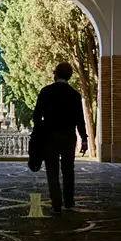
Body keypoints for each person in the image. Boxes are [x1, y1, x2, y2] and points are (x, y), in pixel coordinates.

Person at [32, 62, 88, 215]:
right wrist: (84, 139)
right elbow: (80, 120)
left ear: (55, 73)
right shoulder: (75, 95)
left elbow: (37, 115)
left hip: (49, 137)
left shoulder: (46, 92)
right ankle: (68, 201)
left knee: (52, 171)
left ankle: (56, 203)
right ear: (69, 76)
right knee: (68, 169)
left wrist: (40, 129)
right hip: (69, 138)